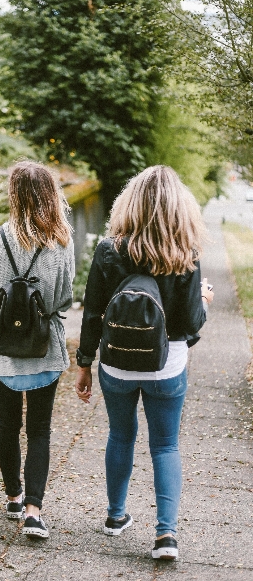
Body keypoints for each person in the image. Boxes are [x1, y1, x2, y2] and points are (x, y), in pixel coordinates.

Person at [75, 165, 214, 560]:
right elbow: (189, 325)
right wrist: (202, 299)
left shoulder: (108, 250)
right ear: (180, 208)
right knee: (166, 445)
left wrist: (84, 363)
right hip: (167, 366)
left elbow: (92, 314)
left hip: (116, 366)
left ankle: (115, 517)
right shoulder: (185, 253)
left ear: (129, 202)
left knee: (120, 436)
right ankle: (165, 536)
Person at [0, 161, 74, 539]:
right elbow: (64, 298)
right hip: (44, 351)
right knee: (39, 432)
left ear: (13, 195)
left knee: (7, 424)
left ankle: (14, 497)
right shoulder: (61, 243)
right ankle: (34, 513)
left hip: (2, 351)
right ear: (51, 195)